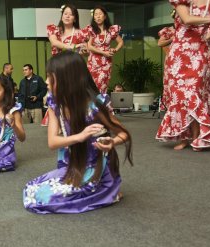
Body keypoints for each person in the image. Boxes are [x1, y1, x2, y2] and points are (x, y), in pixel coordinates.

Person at [23, 51, 132, 214]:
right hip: (72, 165)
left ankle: (107, 189)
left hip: (95, 168)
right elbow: (52, 143)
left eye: (51, 77)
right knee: (33, 190)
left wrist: (112, 142)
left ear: (68, 79)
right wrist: (80, 136)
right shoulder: (56, 103)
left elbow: (124, 134)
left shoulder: (95, 105)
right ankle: (103, 192)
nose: (46, 81)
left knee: (48, 199)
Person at [156, 0, 210, 151]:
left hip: (200, 54)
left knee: (193, 93)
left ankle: (196, 136)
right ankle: (183, 136)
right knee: (180, 96)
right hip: (179, 52)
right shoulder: (183, 1)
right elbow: (187, 19)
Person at [85, 5, 124, 94]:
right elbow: (89, 46)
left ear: (105, 16)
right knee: (91, 85)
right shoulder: (92, 29)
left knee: (102, 85)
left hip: (106, 63)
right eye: (95, 14)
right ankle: (93, 107)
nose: (98, 16)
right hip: (93, 62)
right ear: (93, 17)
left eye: (100, 14)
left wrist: (115, 50)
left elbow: (121, 42)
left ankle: (100, 107)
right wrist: (103, 52)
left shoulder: (111, 30)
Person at [158, 14, 176, 111]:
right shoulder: (169, 30)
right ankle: (170, 105)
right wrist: (172, 39)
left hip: (186, 61)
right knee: (170, 83)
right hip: (171, 61)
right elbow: (160, 43)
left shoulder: (189, 29)